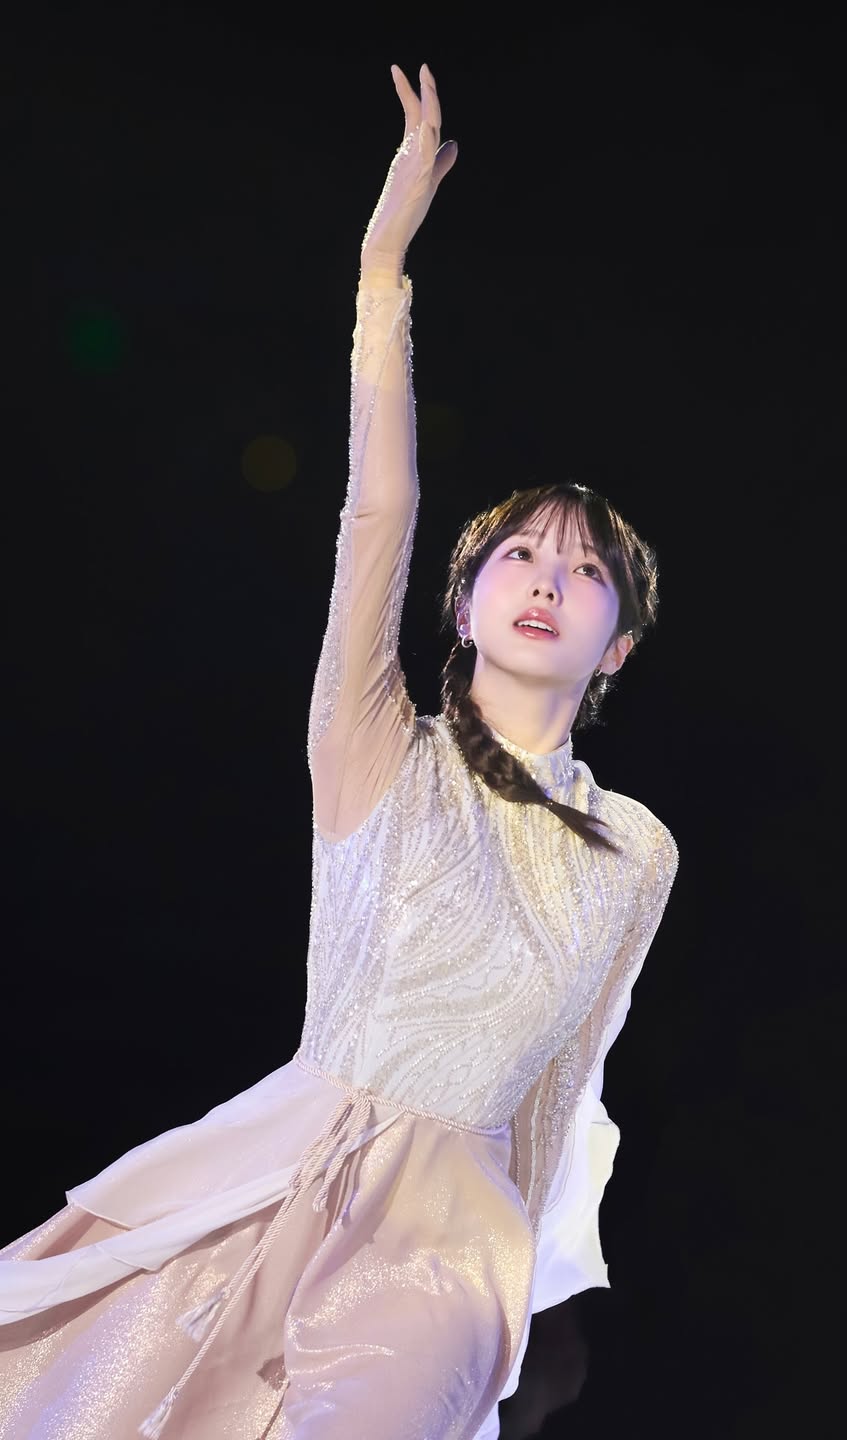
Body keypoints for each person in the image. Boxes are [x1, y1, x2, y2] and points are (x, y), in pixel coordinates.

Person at [0, 63, 678, 1439]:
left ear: (615, 646)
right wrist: (382, 270)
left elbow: (564, 1085)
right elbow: (381, 509)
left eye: (586, 571)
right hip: (272, 1173)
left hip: (445, 1241)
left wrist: (515, 1315)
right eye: (520, 555)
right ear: (465, 602)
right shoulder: (377, 748)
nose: (547, 580)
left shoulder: (636, 850)